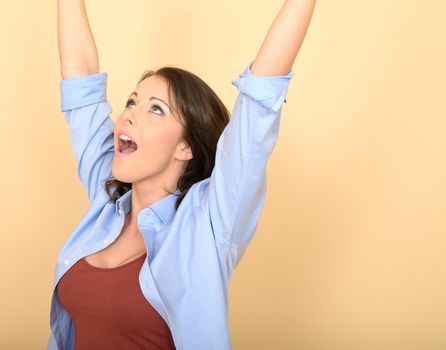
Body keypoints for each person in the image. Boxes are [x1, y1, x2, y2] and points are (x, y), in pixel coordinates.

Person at [49, 0, 316, 349]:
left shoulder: (208, 224)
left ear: (185, 148)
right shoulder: (107, 198)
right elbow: (81, 85)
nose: (128, 115)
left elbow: (260, 98)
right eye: (131, 102)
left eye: (155, 110)